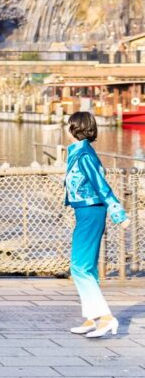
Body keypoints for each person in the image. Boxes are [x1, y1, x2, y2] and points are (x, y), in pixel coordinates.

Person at [64, 112, 129, 338]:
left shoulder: (84, 155)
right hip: (85, 211)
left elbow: (101, 185)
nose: (65, 127)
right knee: (87, 266)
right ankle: (92, 318)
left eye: (67, 123)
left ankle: (106, 318)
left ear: (75, 127)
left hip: (91, 211)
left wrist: (118, 213)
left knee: (79, 266)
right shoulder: (79, 152)